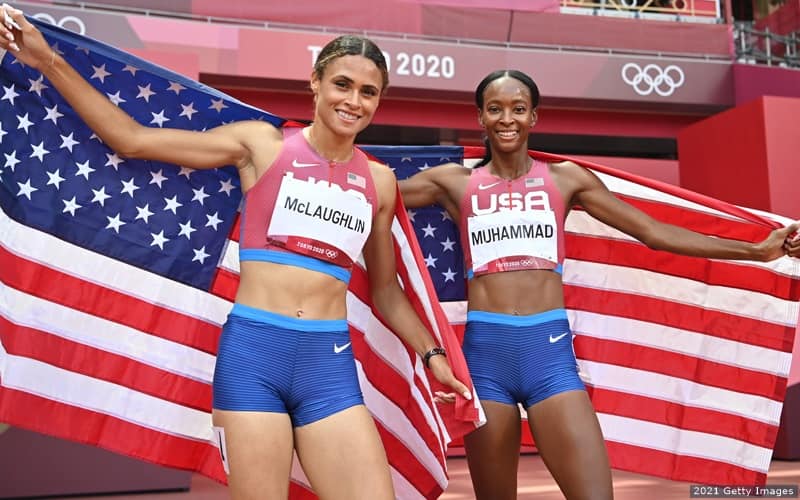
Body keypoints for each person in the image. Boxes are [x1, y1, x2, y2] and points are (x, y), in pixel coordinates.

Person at [0, 6, 472, 499]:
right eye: (342, 84)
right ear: (316, 83)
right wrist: (48, 61)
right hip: (253, 359)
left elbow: (386, 292)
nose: (353, 100)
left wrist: (434, 355)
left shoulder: (378, 183)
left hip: (328, 365)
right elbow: (132, 140)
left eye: (367, 92)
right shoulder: (262, 146)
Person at [398, 69, 800, 500]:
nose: (507, 119)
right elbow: (375, 194)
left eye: (518, 108)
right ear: (480, 117)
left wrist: (756, 250)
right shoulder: (453, 182)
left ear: (534, 116)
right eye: (495, 109)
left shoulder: (566, 179)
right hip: (484, 359)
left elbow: (652, 231)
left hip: (547, 355)